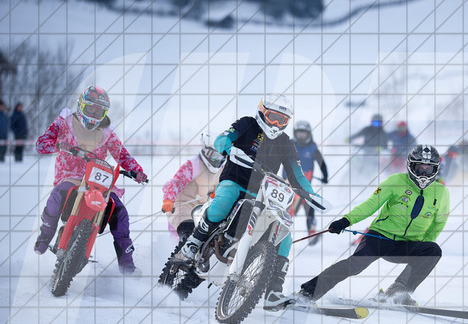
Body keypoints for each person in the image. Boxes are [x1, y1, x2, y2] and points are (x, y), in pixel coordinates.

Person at [175, 93, 321, 310]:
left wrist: (313, 195)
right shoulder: (247, 124)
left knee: (284, 234)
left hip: (262, 194)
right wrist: (229, 148)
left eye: (282, 120)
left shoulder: (285, 142)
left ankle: (273, 291)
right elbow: (222, 139)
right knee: (224, 202)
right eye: (273, 117)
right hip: (235, 181)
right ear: (262, 113)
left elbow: (297, 173)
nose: (276, 124)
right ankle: (193, 242)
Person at [294, 145, 449, 306]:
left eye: (429, 169)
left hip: (406, 245)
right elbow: (370, 205)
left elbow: (438, 223)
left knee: (433, 251)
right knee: (355, 266)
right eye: (420, 168)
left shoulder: (441, 192)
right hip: (380, 238)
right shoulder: (396, 181)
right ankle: (308, 292)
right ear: (411, 166)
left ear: (436, 170)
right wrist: (346, 221)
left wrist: (421, 243)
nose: (424, 174)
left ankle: (398, 292)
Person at [33, 86, 148, 276]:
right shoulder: (65, 121)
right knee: (56, 197)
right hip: (70, 176)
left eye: (99, 112)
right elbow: (41, 145)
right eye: (90, 109)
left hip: (98, 181)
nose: (94, 115)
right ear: (81, 105)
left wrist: (137, 171)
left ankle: (126, 264)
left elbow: (122, 155)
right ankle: (46, 235)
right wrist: (60, 145)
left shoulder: (108, 133)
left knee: (119, 212)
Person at [161, 135, 225, 242]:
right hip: (181, 205)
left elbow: (220, 185)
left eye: (220, 157)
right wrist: (168, 199)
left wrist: (216, 193)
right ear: (205, 150)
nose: (216, 159)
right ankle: (180, 248)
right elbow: (176, 183)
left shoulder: (221, 169)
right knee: (189, 234)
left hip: (201, 210)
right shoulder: (194, 164)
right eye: (213, 155)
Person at [285, 120, 329, 246]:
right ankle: (278, 231)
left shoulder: (313, 148)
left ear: (308, 134)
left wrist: (325, 176)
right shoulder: (289, 144)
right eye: (299, 133)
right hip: (287, 183)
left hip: (304, 187)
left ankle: (312, 233)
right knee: (287, 208)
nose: (301, 135)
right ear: (295, 133)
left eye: (303, 133)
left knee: (310, 208)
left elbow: (321, 163)